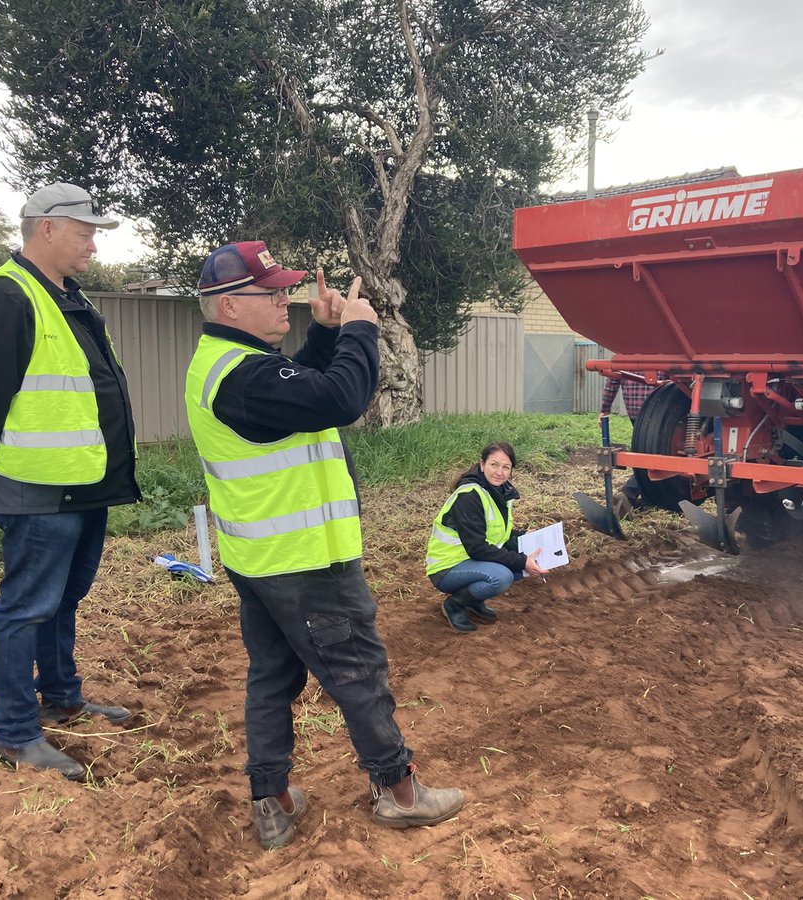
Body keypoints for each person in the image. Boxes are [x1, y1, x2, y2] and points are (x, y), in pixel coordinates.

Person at [183, 241, 464, 850]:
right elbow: (336, 398)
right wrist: (361, 331)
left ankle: (273, 801)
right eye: (273, 292)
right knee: (359, 675)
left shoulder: (229, 364)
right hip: (307, 563)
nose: (286, 298)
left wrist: (326, 332)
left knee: (272, 678)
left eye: (286, 288)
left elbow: (298, 390)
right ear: (229, 305)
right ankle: (399, 792)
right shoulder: (243, 375)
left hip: (260, 562)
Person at [0, 183, 140, 781]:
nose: (92, 244)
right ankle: (15, 731)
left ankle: (61, 696)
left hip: (85, 486)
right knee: (26, 609)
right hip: (37, 491)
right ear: (46, 229)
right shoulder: (6, 297)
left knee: (61, 601)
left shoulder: (70, 298)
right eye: (84, 232)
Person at [425, 443, 547, 633]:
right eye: (494, 465)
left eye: (506, 467)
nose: (500, 472)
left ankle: (473, 600)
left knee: (522, 561)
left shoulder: (499, 493)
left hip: (469, 561)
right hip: (446, 567)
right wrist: (522, 561)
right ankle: (455, 604)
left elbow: (498, 536)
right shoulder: (469, 495)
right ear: (482, 465)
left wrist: (524, 538)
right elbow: (478, 547)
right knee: (502, 576)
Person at [600, 371, 664, 518]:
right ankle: (628, 493)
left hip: (635, 410)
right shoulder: (663, 350)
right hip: (659, 411)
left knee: (644, 451)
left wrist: (605, 409)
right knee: (658, 454)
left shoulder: (624, 350)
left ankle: (649, 499)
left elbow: (612, 380)